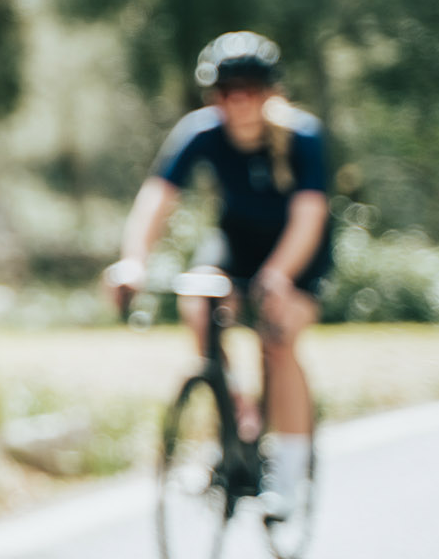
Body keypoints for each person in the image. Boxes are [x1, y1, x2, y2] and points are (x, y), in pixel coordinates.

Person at [107, 31, 332, 514]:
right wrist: (133, 262)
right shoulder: (201, 132)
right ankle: (235, 418)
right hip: (237, 241)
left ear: (271, 93)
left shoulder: (304, 137)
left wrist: (278, 274)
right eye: (226, 92)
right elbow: (156, 200)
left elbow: (309, 217)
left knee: (278, 337)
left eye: (250, 90)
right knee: (198, 300)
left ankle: (289, 474)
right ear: (214, 97)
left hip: (296, 250)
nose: (239, 102)